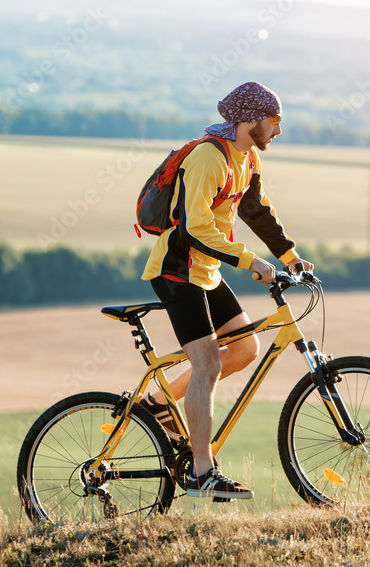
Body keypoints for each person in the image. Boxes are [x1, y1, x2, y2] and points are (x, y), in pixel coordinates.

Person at [140, 81, 313, 500]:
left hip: (207, 271)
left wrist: (289, 256)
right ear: (250, 120)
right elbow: (196, 227)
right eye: (274, 122)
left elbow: (255, 210)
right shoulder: (207, 158)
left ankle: (158, 403)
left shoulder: (247, 158)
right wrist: (250, 261)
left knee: (245, 350)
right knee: (208, 366)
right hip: (177, 270)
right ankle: (202, 472)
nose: (278, 131)